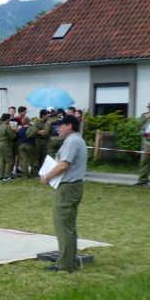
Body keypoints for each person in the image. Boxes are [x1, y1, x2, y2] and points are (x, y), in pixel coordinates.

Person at [40, 114, 87, 272]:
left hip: (67, 187)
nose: (58, 129)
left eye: (60, 126)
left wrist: (47, 176)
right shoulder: (78, 140)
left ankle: (65, 264)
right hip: (73, 186)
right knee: (68, 224)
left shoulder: (72, 141)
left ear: (69, 126)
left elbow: (63, 165)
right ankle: (69, 259)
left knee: (63, 225)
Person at [0, 113, 16, 181]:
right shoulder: (7, 126)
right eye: (9, 118)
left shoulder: (0, 126)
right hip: (4, 143)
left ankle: (1, 176)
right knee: (9, 160)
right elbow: (12, 136)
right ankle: (6, 176)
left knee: (1, 160)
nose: (10, 119)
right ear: (7, 119)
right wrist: (14, 131)